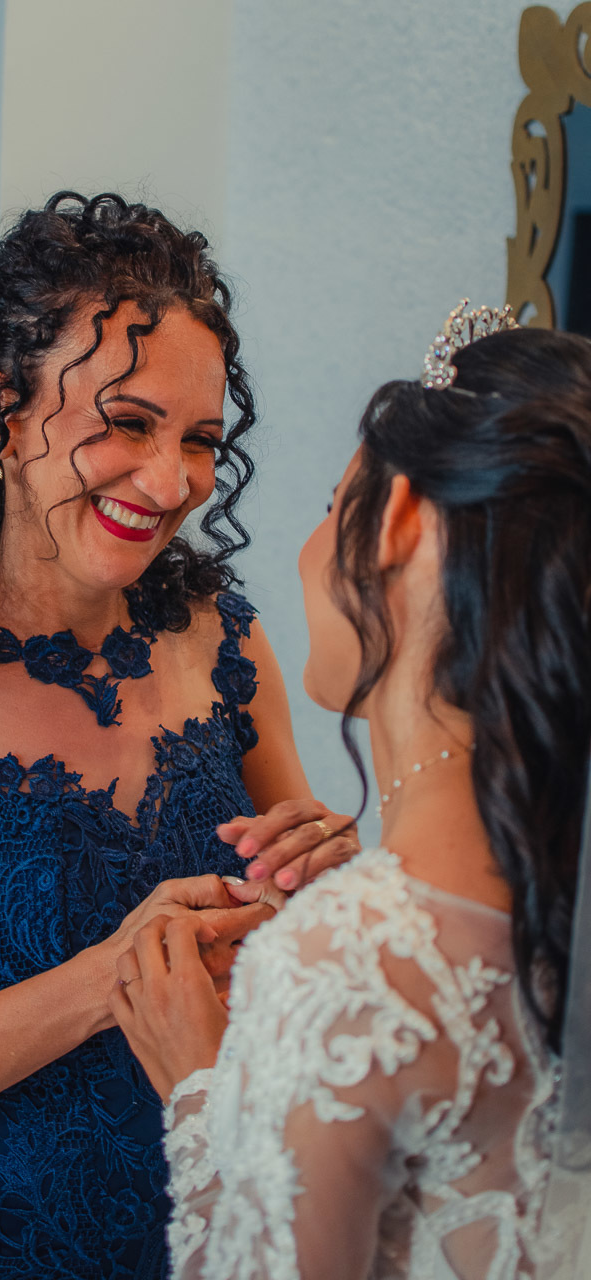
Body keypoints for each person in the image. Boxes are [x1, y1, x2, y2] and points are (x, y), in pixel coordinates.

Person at [0, 192, 354, 1280]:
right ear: (1, 411)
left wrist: (326, 879)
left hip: (219, 1240)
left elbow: (291, 934)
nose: (171, 482)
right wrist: (105, 982)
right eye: (127, 423)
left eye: (198, 441)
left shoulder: (223, 640)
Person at [112, 304, 591, 1278]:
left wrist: (202, 1091)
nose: (307, 547)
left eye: (334, 505)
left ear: (400, 519)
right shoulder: (552, 896)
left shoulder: (341, 964)